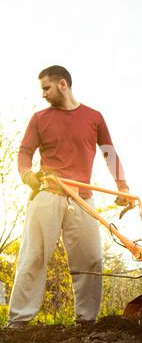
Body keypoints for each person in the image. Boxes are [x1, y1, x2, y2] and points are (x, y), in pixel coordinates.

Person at [7, 65, 130, 327]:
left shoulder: (93, 117)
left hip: (82, 197)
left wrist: (123, 187)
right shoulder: (40, 118)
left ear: (62, 84)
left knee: (91, 258)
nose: (43, 94)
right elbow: (24, 152)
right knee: (34, 256)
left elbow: (109, 152)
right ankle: (18, 322)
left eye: (46, 88)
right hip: (48, 193)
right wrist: (28, 175)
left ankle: (86, 322)